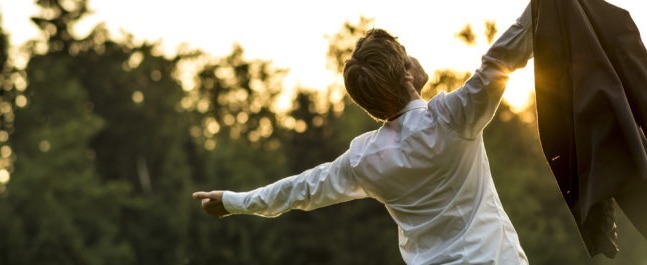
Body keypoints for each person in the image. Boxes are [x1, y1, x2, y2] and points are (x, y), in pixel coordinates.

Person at [192, 4, 533, 264]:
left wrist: (233, 202)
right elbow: (499, 61)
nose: (413, 56)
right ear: (408, 75)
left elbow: (299, 190)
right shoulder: (452, 118)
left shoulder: (364, 160)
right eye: (406, 54)